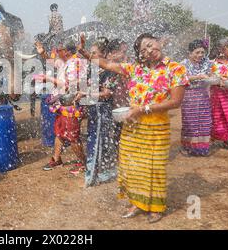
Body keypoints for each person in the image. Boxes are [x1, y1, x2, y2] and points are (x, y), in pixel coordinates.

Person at [78, 32, 188, 223]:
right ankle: (137, 202)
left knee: (153, 167)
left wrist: (144, 108)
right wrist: (85, 53)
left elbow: (176, 102)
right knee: (132, 165)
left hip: (156, 127)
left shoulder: (175, 68)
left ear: (157, 42)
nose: (149, 50)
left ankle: (156, 206)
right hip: (132, 125)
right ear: (140, 55)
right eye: (143, 49)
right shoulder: (135, 69)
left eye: (150, 44)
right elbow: (105, 64)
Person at [37, 39, 87, 175]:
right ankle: (56, 159)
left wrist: (49, 80)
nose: (56, 53)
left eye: (59, 50)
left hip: (72, 105)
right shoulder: (65, 62)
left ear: (67, 52)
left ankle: (83, 162)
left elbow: (67, 86)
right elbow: (51, 61)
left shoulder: (75, 63)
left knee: (72, 137)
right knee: (59, 132)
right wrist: (42, 54)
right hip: (62, 104)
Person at [76, 38, 117, 186]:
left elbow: (107, 93)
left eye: (94, 53)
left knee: (97, 142)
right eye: (90, 52)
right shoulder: (92, 68)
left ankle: (92, 176)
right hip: (94, 109)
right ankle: (101, 173)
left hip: (103, 110)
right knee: (96, 140)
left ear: (104, 53)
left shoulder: (109, 70)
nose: (91, 55)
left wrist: (85, 94)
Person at [180, 40, 213, 156]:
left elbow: (212, 75)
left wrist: (215, 78)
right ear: (189, 53)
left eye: (202, 52)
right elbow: (181, 79)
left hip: (204, 96)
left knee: (205, 122)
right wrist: (198, 77)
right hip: (189, 97)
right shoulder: (183, 64)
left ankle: (202, 149)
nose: (200, 55)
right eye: (197, 52)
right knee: (190, 122)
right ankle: (187, 147)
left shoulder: (207, 63)